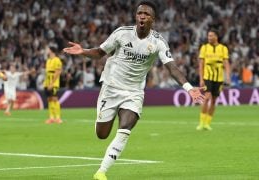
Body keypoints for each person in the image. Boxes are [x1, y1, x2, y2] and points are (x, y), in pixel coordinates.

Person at [63, 1, 205, 179]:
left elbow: (172, 67)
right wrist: (83, 51)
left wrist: (189, 88)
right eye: (139, 13)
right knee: (102, 134)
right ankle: (105, 117)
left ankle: (101, 172)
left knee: (124, 130)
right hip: (111, 87)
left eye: (146, 14)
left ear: (153, 19)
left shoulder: (158, 42)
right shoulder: (121, 33)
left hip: (134, 92)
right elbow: (100, 52)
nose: (142, 16)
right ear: (136, 17)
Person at [197, 29, 231, 131]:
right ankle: (201, 123)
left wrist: (228, 76)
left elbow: (226, 63)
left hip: (219, 79)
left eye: (211, 36)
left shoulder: (223, 48)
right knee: (207, 97)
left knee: (214, 101)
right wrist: (201, 78)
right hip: (208, 77)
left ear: (216, 36)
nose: (209, 38)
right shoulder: (204, 48)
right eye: (208, 36)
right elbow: (201, 64)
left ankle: (207, 123)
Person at [44, 46, 63, 124]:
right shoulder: (48, 60)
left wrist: (52, 83)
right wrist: (46, 83)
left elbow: (58, 72)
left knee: (55, 99)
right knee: (49, 99)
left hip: (54, 83)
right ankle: (51, 118)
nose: (46, 51)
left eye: (47, 49)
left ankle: (58, 118)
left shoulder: (57, 60)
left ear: (51, 51)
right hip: (47, 82)